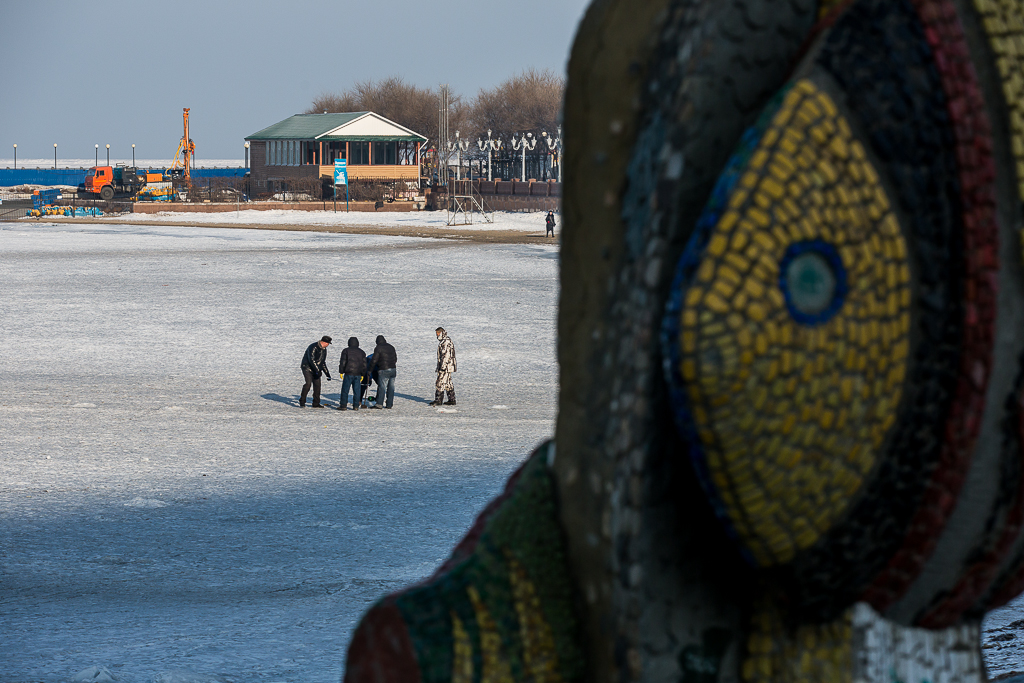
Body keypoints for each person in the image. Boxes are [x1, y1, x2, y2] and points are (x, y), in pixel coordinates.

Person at [300, 336, 332, 408]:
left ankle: (316, 403)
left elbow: (322, 362)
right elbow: (311, 360)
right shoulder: (313, 347)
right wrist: (317, 370)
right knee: (308, 384)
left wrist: (327, 373)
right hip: (307, 368)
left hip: (316, 369)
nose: (328, 345)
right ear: (324, 342)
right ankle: (302, 400)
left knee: (317, 386)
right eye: (328, 343)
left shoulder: (324, 349)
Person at [337, 337, 367, 411]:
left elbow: (343, 362)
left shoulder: (346, 351)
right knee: (357, 390)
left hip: (348, 373)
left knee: (345, 389)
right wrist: (363, 374)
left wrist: (341, 371)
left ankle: (343, 405)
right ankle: (356, 406)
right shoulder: (362, 352)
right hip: (358, 374)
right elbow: (364, 365)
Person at [430, 327, 457, 406]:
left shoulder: (445, 342)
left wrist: (442, 367)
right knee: (448, 383)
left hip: (446, 367)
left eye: (438, 333)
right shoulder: (445, 341)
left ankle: (438, 400)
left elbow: (446, 355)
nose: (437, 335)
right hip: (448, 366)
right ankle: (452, 399)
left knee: (440, 382)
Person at [370, 335, 398, 409]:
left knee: (382, 387)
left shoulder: (378, 348)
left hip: (383, 369)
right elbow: (395, 358)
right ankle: (389, 404)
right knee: (391, 387)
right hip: (393, 369)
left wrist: (370, 370)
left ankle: (379, 404)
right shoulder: (391, 347)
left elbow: (374, 360)